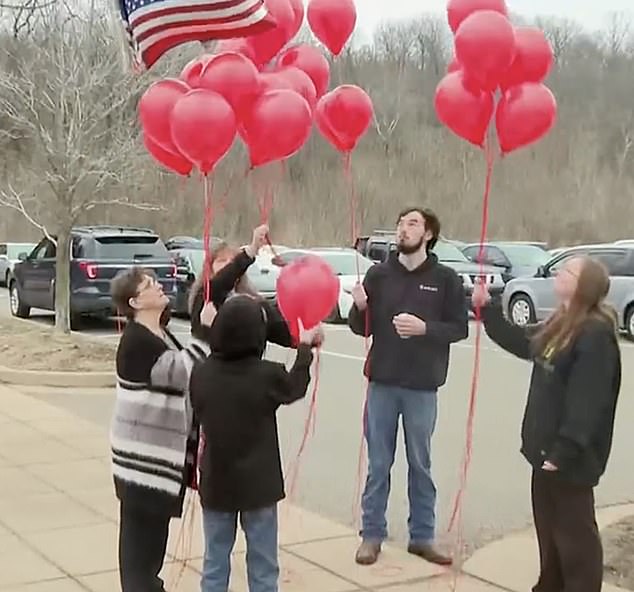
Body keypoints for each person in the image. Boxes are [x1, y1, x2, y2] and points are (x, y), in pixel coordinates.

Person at [473, 255, 621, 592]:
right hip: (544, 453)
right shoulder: (561, 322)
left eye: (567, 271)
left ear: (584, 285)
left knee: (576, 540)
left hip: (569, 459)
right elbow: (524, 344)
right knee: (550, 534)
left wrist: (563, 451)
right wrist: (489, 309)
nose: (558, 273)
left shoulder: (594, 334)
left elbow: (587, 402)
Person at [348, 207, 469, 566]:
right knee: (379, 463)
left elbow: (459, 328)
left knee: (420, 463)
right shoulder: (379, 274)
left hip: (422, 386)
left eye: (412, 223)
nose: (403, 229)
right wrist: (358, 308)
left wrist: (425, 329)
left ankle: (422, 537)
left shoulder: (445, 279)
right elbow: (361, 327)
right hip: (382, 382)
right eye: (400, 223)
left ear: (428, 233)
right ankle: (371, 535)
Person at [190, 295, 322, 592]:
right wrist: (304, 350)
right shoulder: (266, 375)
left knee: (215, 561)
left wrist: (207, 330)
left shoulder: (203, 373)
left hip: (216, 481)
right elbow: (294, 388)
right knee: (263, 564)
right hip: (258, 485)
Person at [110, 266, 217, 591]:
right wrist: (204, 331)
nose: (158, 287)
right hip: (142, 467)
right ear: (135, 301)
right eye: (149, 284)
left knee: (151, 549)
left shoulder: (159, 334)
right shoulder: (137, 342)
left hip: (154, 465)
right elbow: (183, 371)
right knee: (140, 555)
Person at [190, 226, 294, 349]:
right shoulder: (205, 296)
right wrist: (252, 249)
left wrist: (305, 339)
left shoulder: (255, 302)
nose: (228, 264)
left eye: (232, 260)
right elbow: (222, 281)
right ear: (209, 267)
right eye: (222, 260)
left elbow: (281, 332)